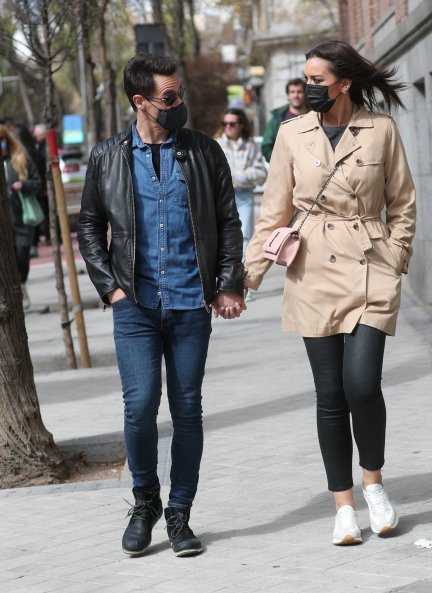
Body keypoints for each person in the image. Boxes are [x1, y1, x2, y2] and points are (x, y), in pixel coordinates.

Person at [243, 40, 416, 546]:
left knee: (362, 383)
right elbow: (273, 213)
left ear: (344, 83)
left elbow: (402, 202)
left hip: (371, 267)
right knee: (330, 393)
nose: (307, 87)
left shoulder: (380, 130)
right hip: (312, 271)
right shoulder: (291, 134)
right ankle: (344, 506)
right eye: (304, 79)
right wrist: (246, 280)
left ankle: (375, 485)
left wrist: (396, 256)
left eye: (317, 79)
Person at [77, 53, 245, 558]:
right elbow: (88, 225)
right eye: (169, 99)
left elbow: (229, 222)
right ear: (141, 102)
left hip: (192, 303)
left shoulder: (204, 151)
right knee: (140, 406)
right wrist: (111, 287)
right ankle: (145, 501)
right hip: (136, 306)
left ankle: (179, 514)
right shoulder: (108, 157)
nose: (178, 105)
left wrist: (228, 282)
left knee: (187, 408)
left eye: (180, 95)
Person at [216, 108, 267, 261]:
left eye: (232, 123)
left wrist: (237, 176)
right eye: (225, 123)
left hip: (244, 196)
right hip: (221, 196)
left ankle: (240, 270)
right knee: (221, 234)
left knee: (244, 234)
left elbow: (262, 174)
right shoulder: (216, 145)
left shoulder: (250, 146)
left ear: (241, 125)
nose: (228, 127)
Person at [1, 124, 42, 310]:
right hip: (4, 223)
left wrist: (23, 185)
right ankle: (11, 293)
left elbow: (37, 182)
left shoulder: (19, 159)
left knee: (22, 256)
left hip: (22, 220)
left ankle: (22, 285)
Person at [261, 77, 309, 162]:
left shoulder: (316, 115)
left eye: (299, 92)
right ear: (288, 96)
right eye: (292, 92)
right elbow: (266, 146)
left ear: (305, 94)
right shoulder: (277, 119)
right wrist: (278, 162)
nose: (296, 95)